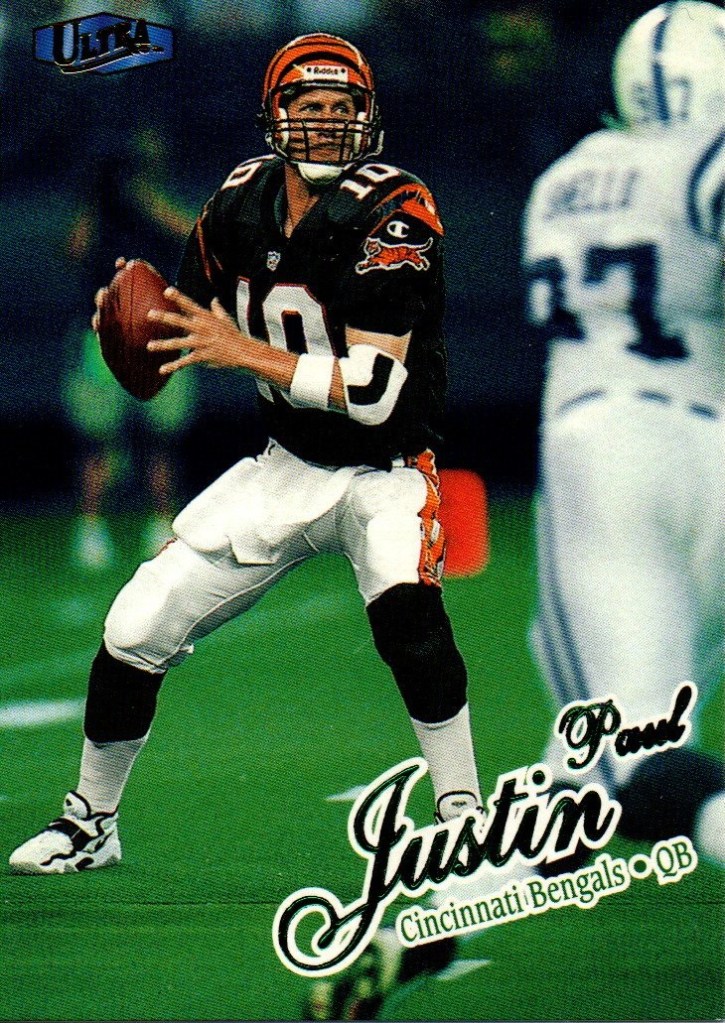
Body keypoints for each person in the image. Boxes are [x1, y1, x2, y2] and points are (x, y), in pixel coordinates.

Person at [302, 4, 725, 1018]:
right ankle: (425, 931)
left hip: (607, 452)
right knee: (596, 763)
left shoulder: (562, 183)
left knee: (630, 755)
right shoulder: (704, 164)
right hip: (706, 444)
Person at [9, 33, 483, 874]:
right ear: (275, 115)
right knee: (135, 625)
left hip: (386, 470)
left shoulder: (396, 209)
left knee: (408, 621)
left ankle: (464, 816)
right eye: (309, 106)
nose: (326, 122)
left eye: (342, 107)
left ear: (367, 117)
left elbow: (374, 388)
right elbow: (186, 315)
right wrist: (132, 322)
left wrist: (245, 353)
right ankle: (91, 821)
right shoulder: (237, 200)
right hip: (285, 464)